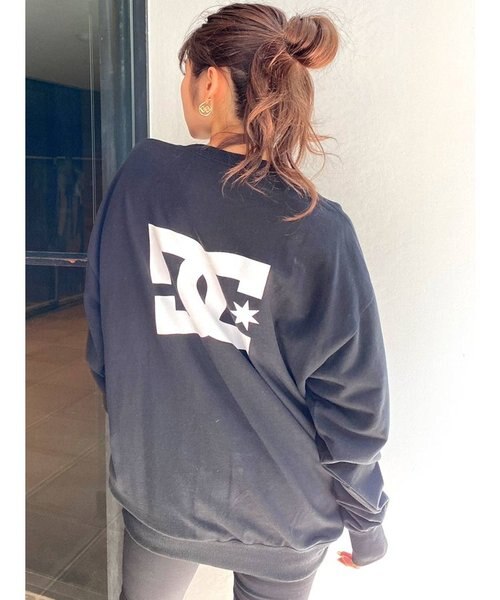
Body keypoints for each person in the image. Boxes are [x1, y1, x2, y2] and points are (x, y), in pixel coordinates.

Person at [83, 3, 391, 599]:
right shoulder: (319, 228)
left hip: (163, 492)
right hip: (288, 513)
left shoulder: (140, 180)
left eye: (186, 74)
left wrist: (142, 431)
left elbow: (106, 338)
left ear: (211, 83)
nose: (183, 89)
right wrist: (368, 523)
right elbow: (353, 403)